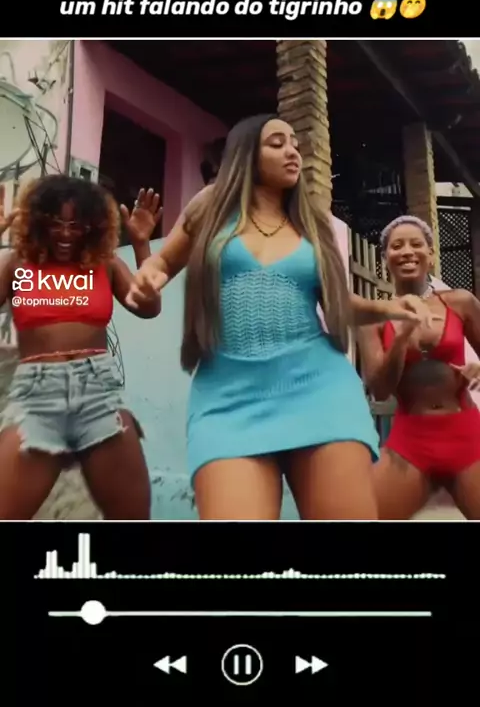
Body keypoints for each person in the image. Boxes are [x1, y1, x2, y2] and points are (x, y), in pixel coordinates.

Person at [126, 115, 433, 521]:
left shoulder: (311, 223)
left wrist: (390, 308)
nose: (292, 152)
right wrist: (149, 276)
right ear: (246, 154)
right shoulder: (211, 206)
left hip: (319, 389)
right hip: (228, 396)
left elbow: (337, 303)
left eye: (295, 145)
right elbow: (164, 263)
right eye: (277, 143)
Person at [0, 176, 162, 520]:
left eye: (76, 225)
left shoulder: (104, 264)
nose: (65, 234)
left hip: (98, 393)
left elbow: (148, 307)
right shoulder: (17, 264)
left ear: (92, 226)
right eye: (55, 223)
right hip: (36, 396)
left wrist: (141, 245)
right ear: (38, 221)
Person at [357, 214, 480, 519]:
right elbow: (380, 390)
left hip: (466, 434)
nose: (407, 252)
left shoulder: (460, 302)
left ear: (431, 253)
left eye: (416, 244)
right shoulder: (373, 318)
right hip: (410, 441)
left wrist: (478, 369)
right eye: (397, 246)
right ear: (385, 257)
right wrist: (401, 336)